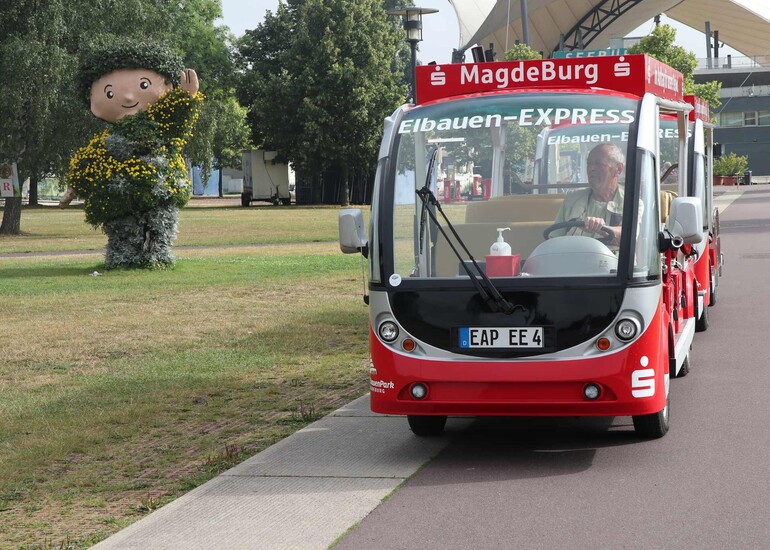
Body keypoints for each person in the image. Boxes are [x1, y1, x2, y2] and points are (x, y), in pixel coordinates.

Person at [551, 143, 626, 245]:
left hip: (611, 255)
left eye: (599, 164)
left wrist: (601, 228)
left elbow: (629, 238)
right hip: (573, 253)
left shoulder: (631, 203)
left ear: (618, 169)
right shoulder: (572, 199)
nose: (591, 168)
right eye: (589, 164)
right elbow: (554, 239)